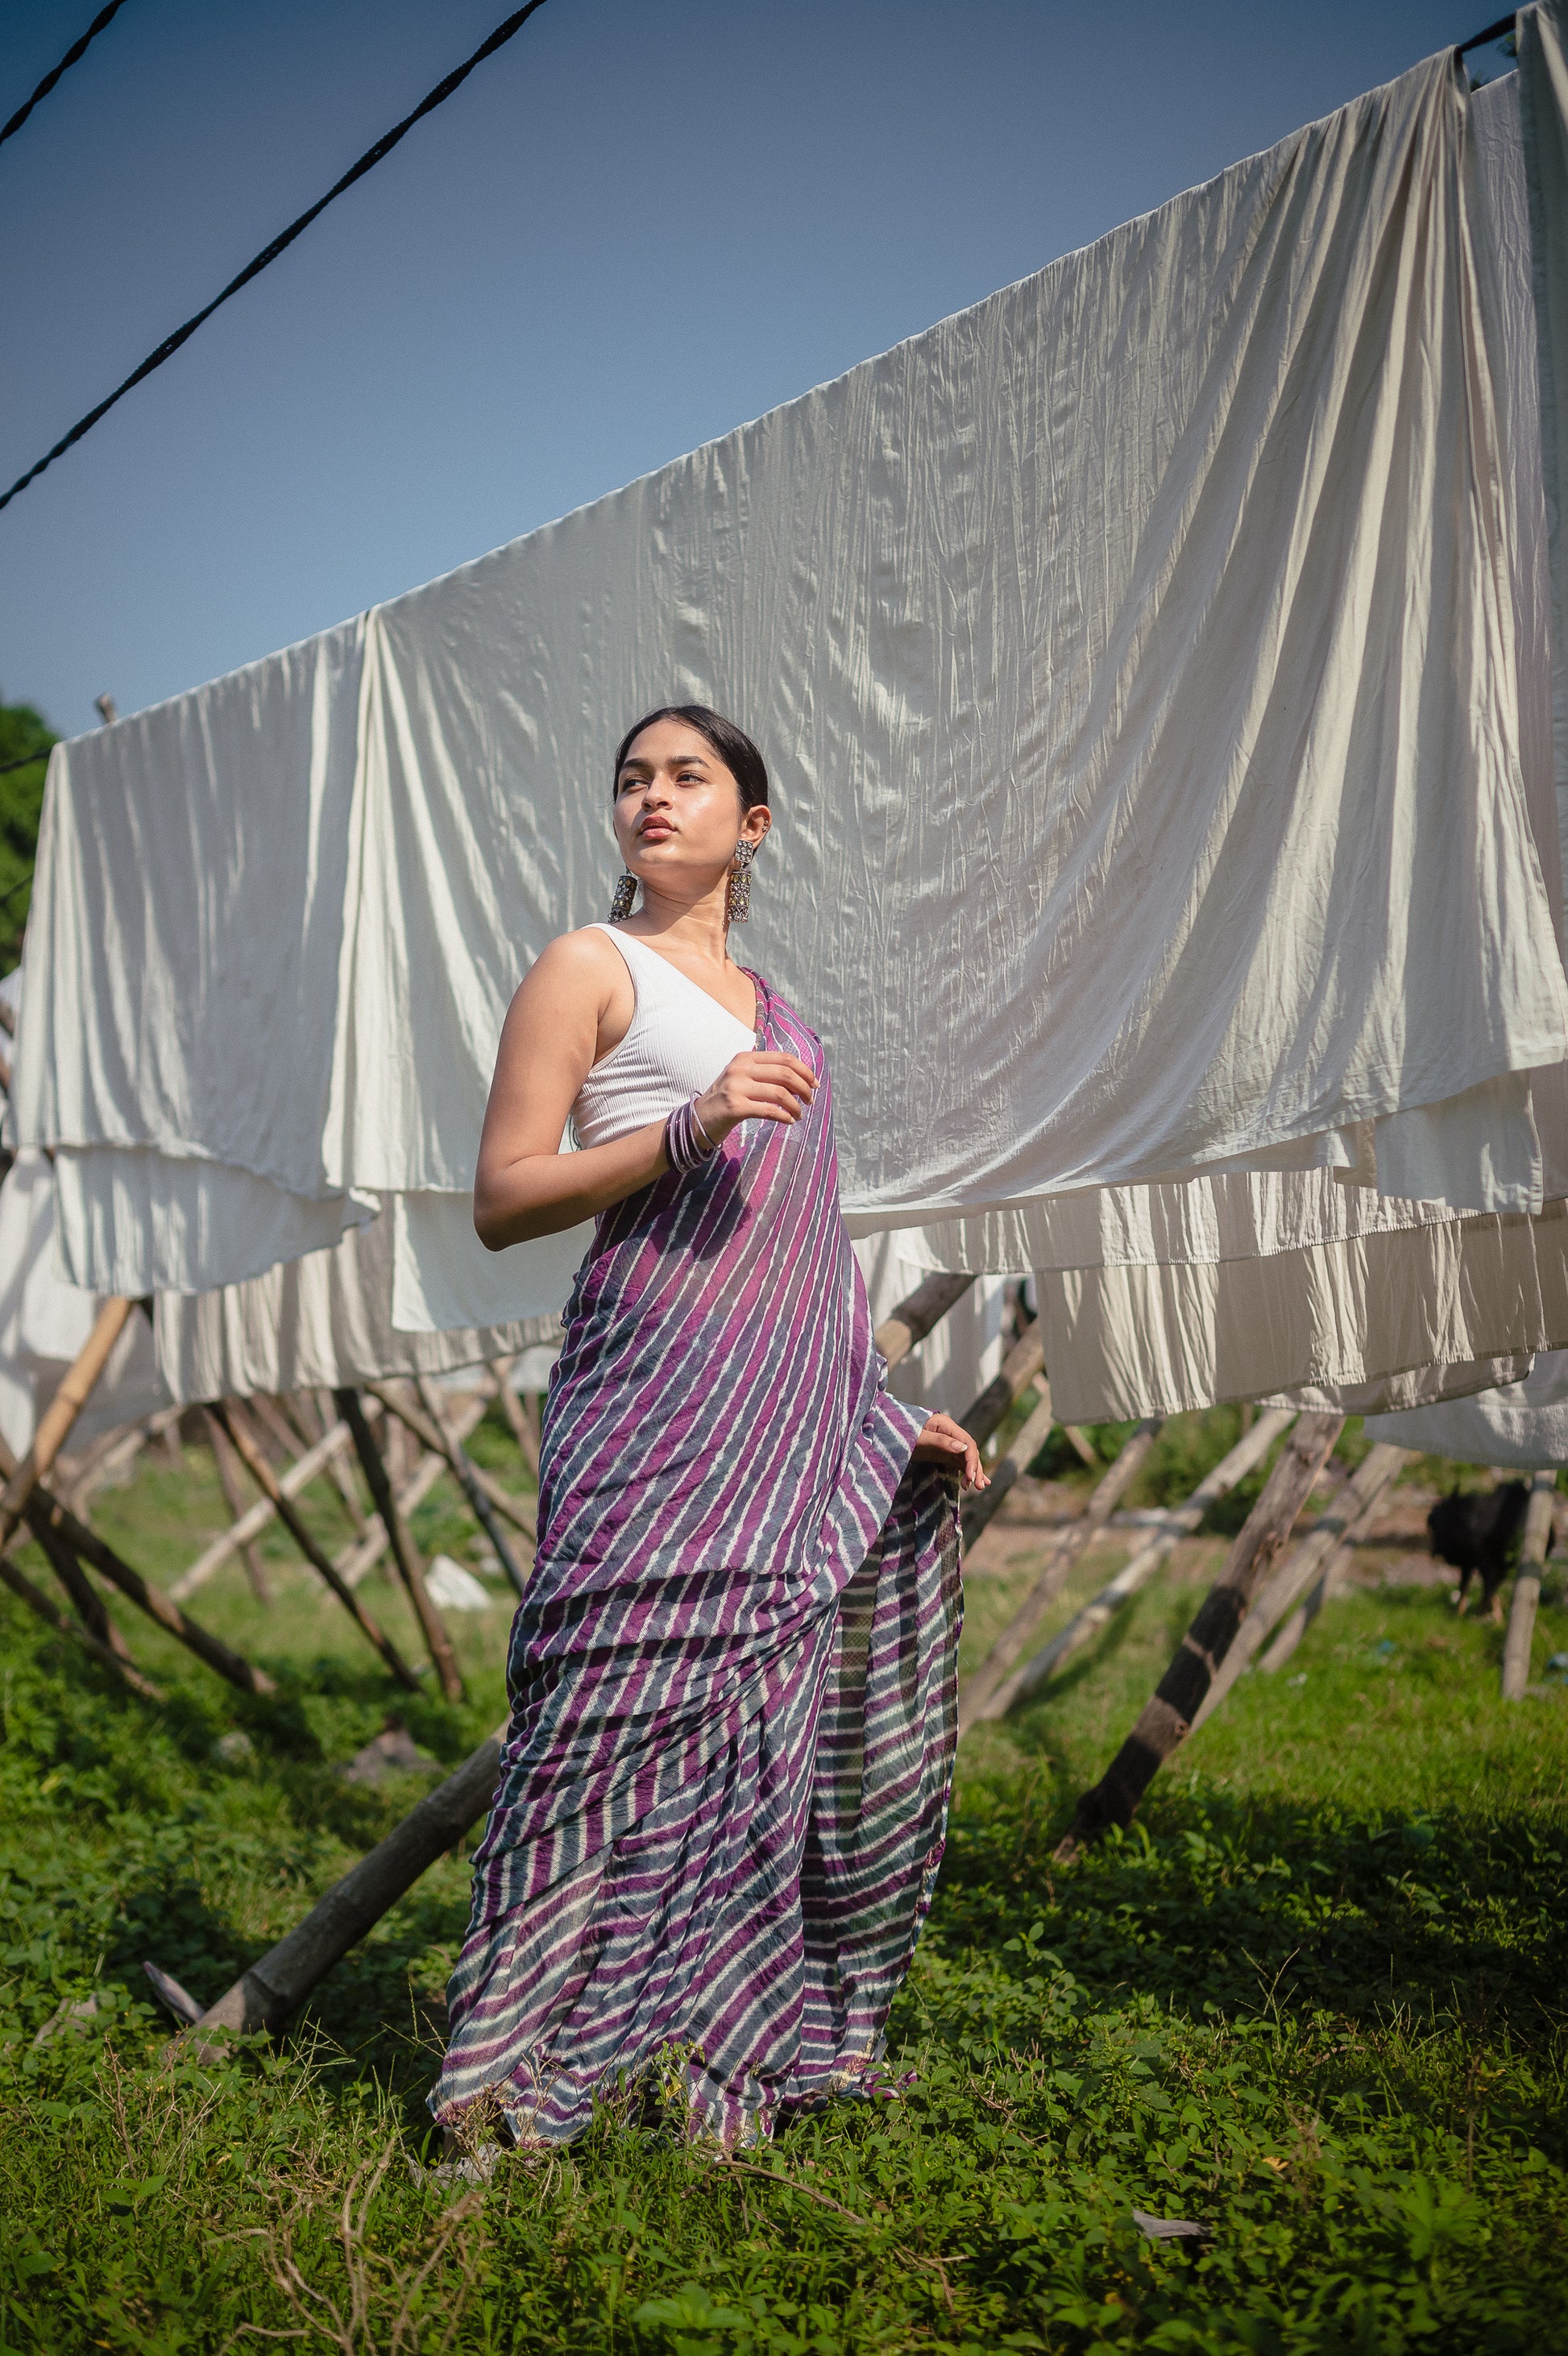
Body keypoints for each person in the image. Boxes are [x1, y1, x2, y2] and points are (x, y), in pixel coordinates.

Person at [431, 703, 985, 2152]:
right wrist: (692, 1124)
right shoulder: (587, 965)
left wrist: (879, 1422)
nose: (652, 798)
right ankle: (497, 2078)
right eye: (632, 779)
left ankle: (690, 2056)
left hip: (787, 1409)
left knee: (755, 1740)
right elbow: (502, 1198)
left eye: (687, 778)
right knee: (589, 1726)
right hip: (648, 1394)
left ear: (753, 825)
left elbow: (805, 1252)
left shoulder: (780, 1015)